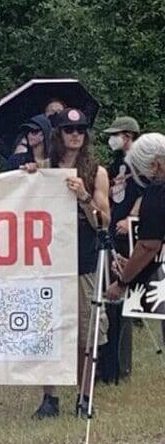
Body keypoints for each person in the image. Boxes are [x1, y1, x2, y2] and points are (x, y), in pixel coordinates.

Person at [25, 108, 110, 419]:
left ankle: (84, 395)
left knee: (86, 334)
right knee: (49, 333)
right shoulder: (45, 169)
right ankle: (50, 398)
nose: (76, 134)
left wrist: (84, 196)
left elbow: (104, 221)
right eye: (69, 129)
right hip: (49, 264)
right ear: (58, 134)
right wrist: (31, 176)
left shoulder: (96, 172)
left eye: (81, 129)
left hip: (83, 262)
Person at [106, 133, 165, 444]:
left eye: (145, 172)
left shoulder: (159, 191)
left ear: (156, 164)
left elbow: (148, 245)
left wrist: (123, 281)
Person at [99, 116, 141, 382]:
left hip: (130, 232)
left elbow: (144, 193)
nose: (112, 138)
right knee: (112, 293)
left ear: (127, 135)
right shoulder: (117, 163)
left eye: (116, 134)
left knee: (124, 293)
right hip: (113, 229)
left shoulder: (141, 160)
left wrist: (131, 218)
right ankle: (110, 364)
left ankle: (122, 367)